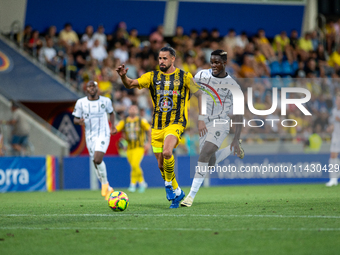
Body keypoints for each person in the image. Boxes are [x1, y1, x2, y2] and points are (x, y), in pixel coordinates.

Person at [116, 46, 200, 208]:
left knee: (167, 152)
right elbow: (131, 84)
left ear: (173, 59)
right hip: (157, 127)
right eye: (160, 58)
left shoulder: (184, 76)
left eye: (165, 58)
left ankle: (168, 186)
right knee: (161, 165)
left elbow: (199, 93)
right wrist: (123, 77)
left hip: (176, 123)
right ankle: (177, 193)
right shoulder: (152, 76)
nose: (161, 61)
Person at [181, 50, 244, 207]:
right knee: (209, 161)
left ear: (224, 63)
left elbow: (239, 115)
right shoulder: (202, 75)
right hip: (204, 121)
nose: (214, 65)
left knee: (205, 153)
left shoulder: (233, 86)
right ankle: (230, 149)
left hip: (221, 122)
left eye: (217, 62)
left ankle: (190, 196)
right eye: (212, 62)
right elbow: (191, 90)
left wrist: (236, 137)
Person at [72, 81, 117, 200]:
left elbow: (111, 113)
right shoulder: (81, 102)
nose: (92, 88)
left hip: (103, 134)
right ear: (86, 89)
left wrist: (112, 126)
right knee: (95, 163)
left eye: (94, 86)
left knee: (97, 159)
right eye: (89, 86)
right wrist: (79, 121)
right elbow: (75, 119)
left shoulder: (105, 101)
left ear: (97, 88)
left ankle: (104, 183)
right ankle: (109, 189)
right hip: (90, 136)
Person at [115, 105, 151, 193]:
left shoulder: (141, 120)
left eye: (134, 109)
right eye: (131, 109)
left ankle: (135, 184)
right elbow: (116, 129)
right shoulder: (124, 121)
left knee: (135, 164)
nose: (132, 110)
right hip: (129, 148)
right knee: (133, 166)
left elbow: (149, 130)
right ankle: (138, 184)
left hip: (139, 147)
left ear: (137, 111)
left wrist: (149, 143)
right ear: (128, 110)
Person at [326, 92, 340, 186]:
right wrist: (330, 128)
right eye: (336, 99)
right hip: (336, 136)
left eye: (338, 99)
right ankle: (333, 178)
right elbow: (333, 123)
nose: (337, 101)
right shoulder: (334, 110)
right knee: (333, 156)